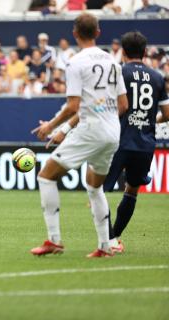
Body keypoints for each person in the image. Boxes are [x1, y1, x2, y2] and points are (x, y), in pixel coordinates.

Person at [30, 13, 128, 258]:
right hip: (112, 132)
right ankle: (105, 247)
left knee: (46, 176)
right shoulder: (113, 62)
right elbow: (123, 105)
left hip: (91, 129)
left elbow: (74, 106)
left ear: (75, 33)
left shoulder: (75, 63)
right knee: (95, 188)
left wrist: (50, 127)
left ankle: (54, 240)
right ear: (98, 32)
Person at [103, 31, 169, 252]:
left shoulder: (119, 73)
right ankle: (115, 237)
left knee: (98, 191)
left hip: (118, 141)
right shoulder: (158, 77)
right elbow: (167, 113)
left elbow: (109, 105)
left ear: (122, 52)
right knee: (131, 191)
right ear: (144, 52)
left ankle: (109, 240)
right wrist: (151, 119)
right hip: (145, 144)